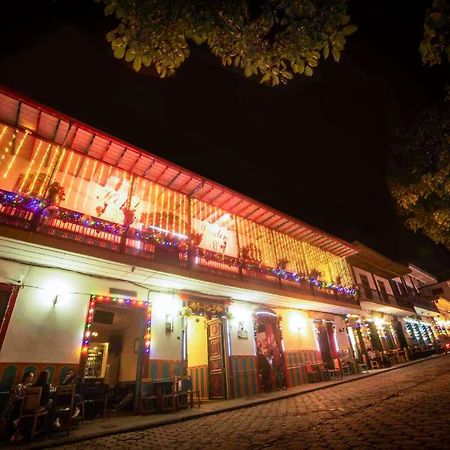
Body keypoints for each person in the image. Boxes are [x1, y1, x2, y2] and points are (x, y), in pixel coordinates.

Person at [1, 371, 34, 440]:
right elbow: (15, 398)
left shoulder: (30, 385)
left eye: (32, 377)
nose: (31, 378)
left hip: (23, 406)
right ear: (25, 377)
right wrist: (25, 398)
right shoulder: (19, 386)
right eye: (30, 377)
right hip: (14, 406)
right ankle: (9, 434)